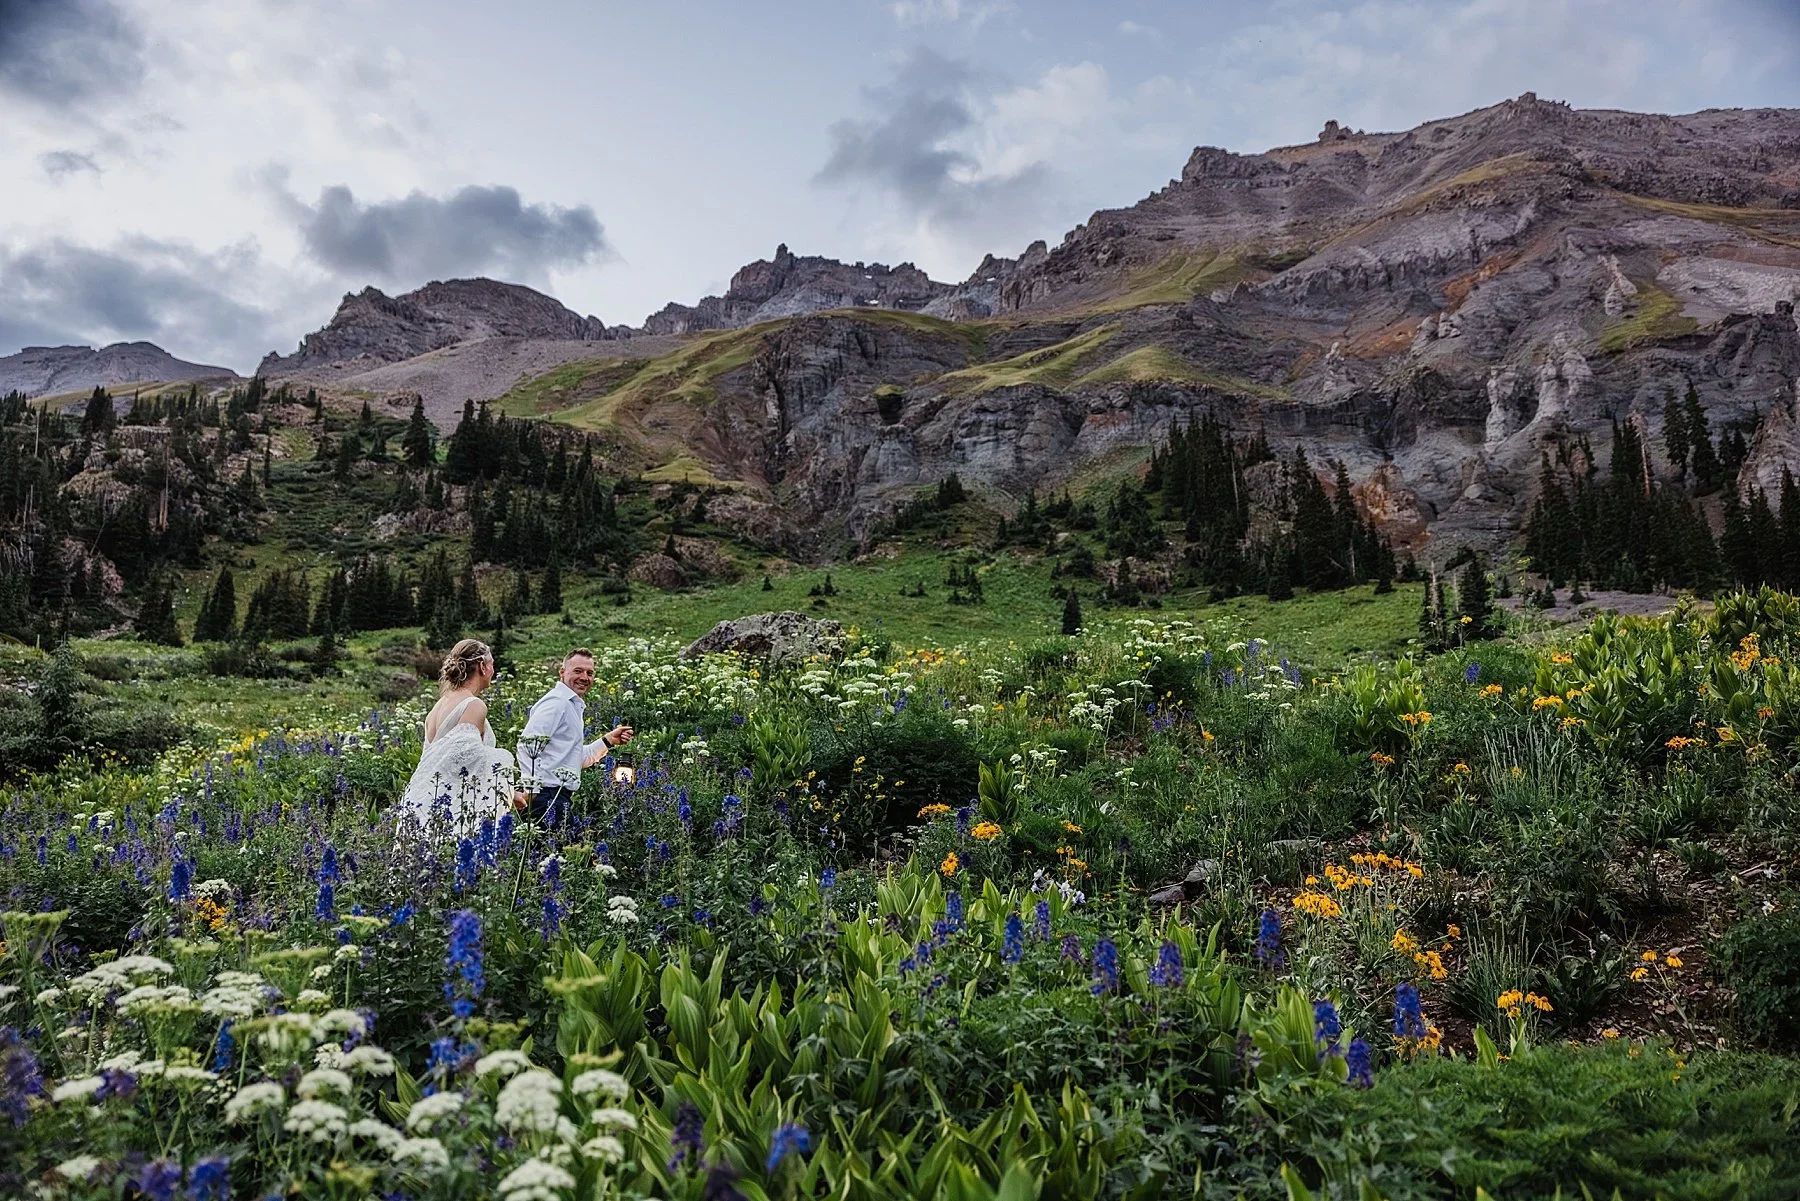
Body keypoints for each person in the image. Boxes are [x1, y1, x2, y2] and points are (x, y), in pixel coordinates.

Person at [398, 639, 524, 832]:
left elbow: (448, 764)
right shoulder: (473, 705)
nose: (493, 670)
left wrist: (508, 792)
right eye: (492, 664)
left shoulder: (438, 706)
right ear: (482, 667)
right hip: (451, 810)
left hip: (421, 802)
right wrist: (505, 781)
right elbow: (466, 758)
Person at [517, 647, 633, 824]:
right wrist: (532, 788)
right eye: (578, 671)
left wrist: (608, 741)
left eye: (589, 673)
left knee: (567, 848)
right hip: (546, 797)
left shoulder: (571, 705)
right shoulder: (557, 703)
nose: (584, 678)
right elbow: (527, 746)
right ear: (562, 673)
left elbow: (574, 758)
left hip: (558, 797)